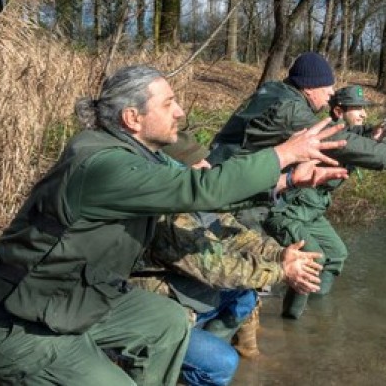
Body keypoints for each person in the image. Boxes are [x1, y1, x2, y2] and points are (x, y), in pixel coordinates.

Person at [0, 65, 347, 385]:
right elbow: (201, 190)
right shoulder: (104, 163)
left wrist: (287, 181)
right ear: (132, 118)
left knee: (166, 321)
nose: (180, 111)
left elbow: (206, 196)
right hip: (15, 327)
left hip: (71, 302)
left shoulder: (135, 157)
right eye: (169, 103)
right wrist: (283, 154)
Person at [208, 52, 386, 320]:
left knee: (312, 260)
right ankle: (269, 324)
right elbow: (349, 144)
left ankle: (299, 320)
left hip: (243, 190)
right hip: (238, 195)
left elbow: (372, 139)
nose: (331, 93)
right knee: (248, 278)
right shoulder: (289, 109)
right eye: (327, 87)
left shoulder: (282, 98)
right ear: (309, 86)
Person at [128, 132, 325, 385]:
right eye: (198, 165)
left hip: (182, 293)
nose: (208, 168)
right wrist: (281, 271)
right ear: (175, 173)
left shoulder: (198, 200)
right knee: (222, 364)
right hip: (158, 308)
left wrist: (279, 254)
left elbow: (237, 235)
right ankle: (189, 364)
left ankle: (214, 357)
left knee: (245, 296)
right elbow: (217, 268)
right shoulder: (167, 216)